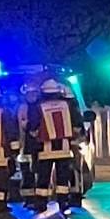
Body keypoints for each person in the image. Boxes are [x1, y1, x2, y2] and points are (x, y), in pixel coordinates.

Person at [26, 79, 82, 210]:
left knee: (43, 178)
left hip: (45, 149)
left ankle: (41, 204)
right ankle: (63, 203)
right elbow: (78, 124)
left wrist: (35, 136)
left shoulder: (39, 106)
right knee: (63, 177)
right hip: (64, 148)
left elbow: (33, 127)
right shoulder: (68, 105)